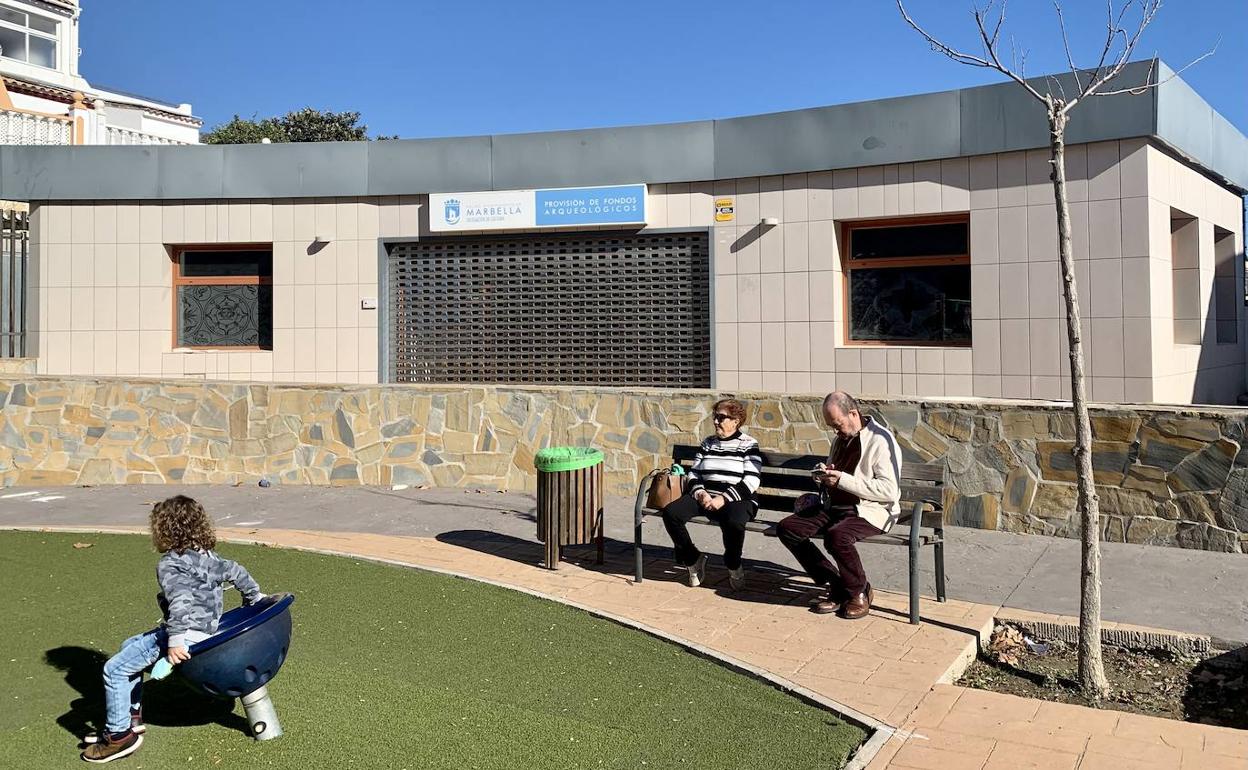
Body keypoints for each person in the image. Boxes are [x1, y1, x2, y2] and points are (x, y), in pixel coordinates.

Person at [82, 495, 264, 764]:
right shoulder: (209, 557)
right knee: (129, 646)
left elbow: (181, 602)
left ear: (162, 530)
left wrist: (175, 642)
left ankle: (119, 737)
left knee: (114, 669)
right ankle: (131, 717)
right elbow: (237, 572)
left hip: (184, 634)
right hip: (206, 632)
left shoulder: (171, 563)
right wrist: (254, 598)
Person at [776, 392, 901, 619]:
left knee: (837, 536)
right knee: (788, 528)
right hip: (835, 506)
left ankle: (859, 592)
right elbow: (838, 474)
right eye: (832, 426)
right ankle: (838, 585)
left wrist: (842, 479)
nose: (836, 430)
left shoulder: (881, 440)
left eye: (838, 424)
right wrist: (824, 475)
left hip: (872, 510)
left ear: (853, 413)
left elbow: (889, 491)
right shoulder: (841, 438)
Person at [660, 398, 763, 590]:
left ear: (736, 420)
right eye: (715, 417)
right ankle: (693, 559)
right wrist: (701, 494)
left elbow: (751, 480)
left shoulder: (748, 444)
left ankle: (733, 564)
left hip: (738, 498)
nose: (716, 421)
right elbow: (694, 473)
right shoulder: (708, 443)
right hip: (706, 496)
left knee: (733, 521)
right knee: (671, 513)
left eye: (721, 417)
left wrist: (723, 499)